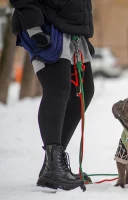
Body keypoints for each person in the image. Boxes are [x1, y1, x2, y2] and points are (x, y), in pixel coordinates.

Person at [9, 0, 95, 191]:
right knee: (58, 88)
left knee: (84, 91)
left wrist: (84, 31)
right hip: (47, 25)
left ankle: (53, 164)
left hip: (72, 28)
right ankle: (53, 165)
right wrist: (33, 27)